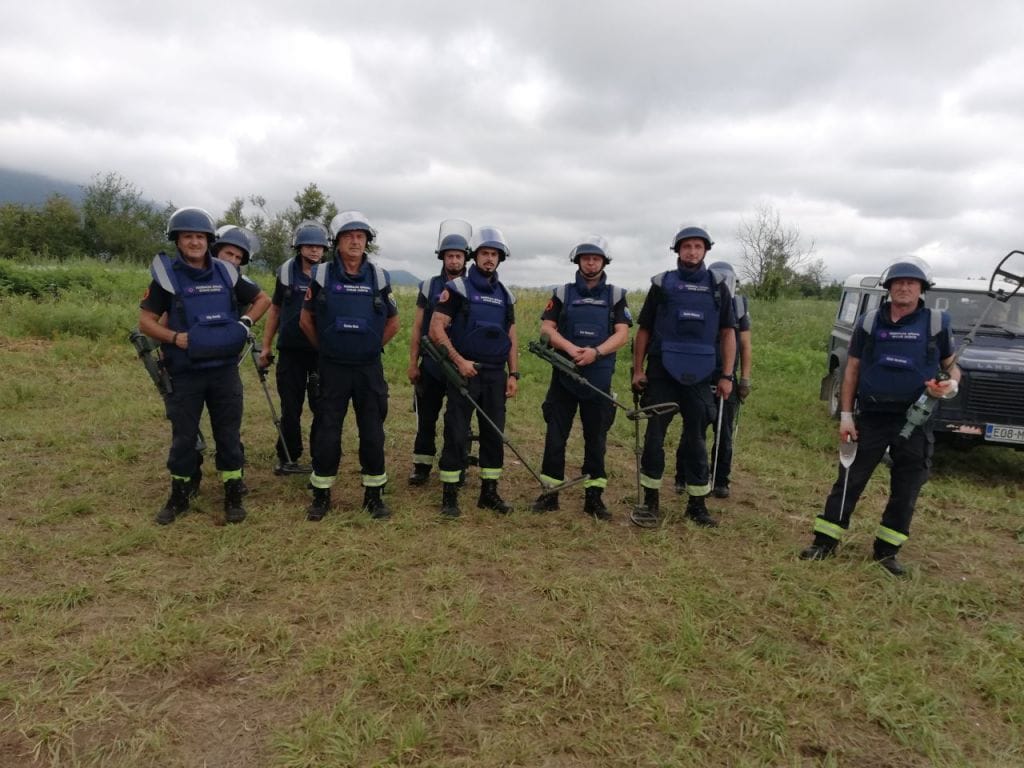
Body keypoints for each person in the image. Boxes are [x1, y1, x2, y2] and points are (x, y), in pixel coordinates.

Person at [799, 260, 959, 576]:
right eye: (898, 282)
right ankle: (825, 542)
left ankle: (887, 552)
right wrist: (846, 416)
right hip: (870, 417)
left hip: (915, 421)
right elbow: (852, 370)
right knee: (849, 479)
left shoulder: (936, 323)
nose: (904, 287)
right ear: (888, 288)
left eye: (911, 283)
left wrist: (949, 386)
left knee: (907, 487)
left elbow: (952, 366)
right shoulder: (869, 322)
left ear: (921, 288)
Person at [138, 207, 270, 525]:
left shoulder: (227, 272)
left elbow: (263, 299)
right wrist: (174, 338)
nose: (195, 242)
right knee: (184, 437)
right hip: (185, 372)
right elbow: (146, 322)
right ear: (177, 240)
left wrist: (244, 323)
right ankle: (179, 497)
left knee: (228, 434)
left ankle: (233, 495)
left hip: (224, 372)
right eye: (188, 236)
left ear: (209, 240)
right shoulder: (166, 277)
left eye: (200, 236)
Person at [631, 225, 736, 527]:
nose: (692, 252)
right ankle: (650, 501)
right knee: (654, 437)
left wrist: (727, 375)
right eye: (687, 246)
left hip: (701, 376)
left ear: (705, 251)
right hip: (662, 373)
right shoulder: (662, 284)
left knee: (696, 440)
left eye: (698, 246)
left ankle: (697, 505)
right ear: (677, 250)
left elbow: (728, 333)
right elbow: (644, 331)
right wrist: (638, 370)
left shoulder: (718, 287)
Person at [300, 211, 400, 521]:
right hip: (333, 369)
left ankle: (374, 497)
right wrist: (327, 349)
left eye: (360, 236)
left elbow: (394, 322)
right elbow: (305, 320)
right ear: (337, 242)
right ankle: (321, 496)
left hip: (368, 369)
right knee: (327, 430)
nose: (355, 241)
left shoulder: (379, 277)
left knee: (372, 432)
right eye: (348, 236)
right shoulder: (321, 275)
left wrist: (370, 347)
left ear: (367, 241)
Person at [533, 235, 631, 519]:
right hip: (564, 375)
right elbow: (547, 328)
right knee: (555, 436)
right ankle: (550, 493)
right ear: (578, 262)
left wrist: (596, 353)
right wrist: (569, 348)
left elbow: (622, 334)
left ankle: (594, 498)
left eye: (596, 259)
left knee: (596, 439)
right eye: (586, 258)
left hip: (598, 378)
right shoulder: (561, 294)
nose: (590, 263)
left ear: (603, 262)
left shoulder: (616, 296)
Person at [429, 226, 519, 518]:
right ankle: (449, 495)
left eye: (494, 254)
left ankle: (489, 493)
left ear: (500, 259)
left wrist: (514, 374)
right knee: (456, 432)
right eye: (484, 253)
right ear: (475, 256)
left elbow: (511, 336)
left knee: (494, 433)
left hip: (495, 375)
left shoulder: (506, 295)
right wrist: (459, 362)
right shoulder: (457, 289)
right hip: (465, 373)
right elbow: (436, 328)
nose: (489, 259)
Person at [675, 260, 752, 498]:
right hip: (699, 374)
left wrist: (744, 380)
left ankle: (720, 480)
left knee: (724, 432)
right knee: (693, 429)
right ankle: (682, 477)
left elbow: (745, 345)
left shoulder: (739, 306)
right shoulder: (699, 298)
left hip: (727, 376)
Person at [258, 220, 329, 474]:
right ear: (299, 247)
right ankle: (288, 456)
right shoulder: (286, 274)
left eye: (319, 247)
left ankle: (321, 457)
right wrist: (266, 345)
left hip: (321, 352)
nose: (315, 250)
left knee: (322, 406)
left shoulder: (329, 273)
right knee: (290, 406)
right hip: (290, 351)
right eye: (309, 246)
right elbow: (275, 310)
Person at [406, 220, 471, 486]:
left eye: (458, 256)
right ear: (442, 258)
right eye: (449, 256)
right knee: (427, 417)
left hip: (459, 364)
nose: (454, 260)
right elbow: (418, 327)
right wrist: (413, 362)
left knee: (459, 421)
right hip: (432, 363)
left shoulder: (473, 286)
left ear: (465, 258)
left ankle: (458, 465)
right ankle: (421, 466)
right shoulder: (428, 286)